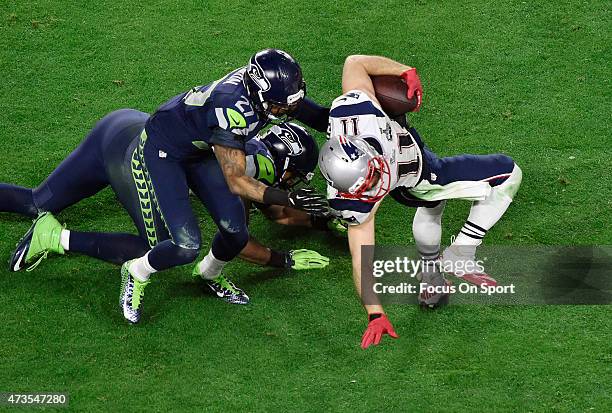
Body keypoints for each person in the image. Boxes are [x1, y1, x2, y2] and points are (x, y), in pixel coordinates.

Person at [1, 113, 333, 304]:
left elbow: (273, 210)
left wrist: (325, 219)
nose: (293, 184)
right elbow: (240, 240)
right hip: (132, 163)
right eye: (294, 177)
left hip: (122, 125)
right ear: (284, 164)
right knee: (158, 247)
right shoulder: (246, 172)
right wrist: (283, 259)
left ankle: (46, 224)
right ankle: (56, 237)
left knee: (37, 200)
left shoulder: (245, 139)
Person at [318, 55, 522, 349]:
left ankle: (431, 276)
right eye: (369, 184)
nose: (376, 180)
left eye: (374, 173)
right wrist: (375, 314)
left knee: (432, 206)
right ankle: (460, 255)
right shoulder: (354, 202)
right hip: (419, 175)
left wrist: (405, 71)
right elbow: (362, 260)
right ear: (348, 188)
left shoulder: (356, 113)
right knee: (507, 173)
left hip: (406, 149)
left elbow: (354, 63)